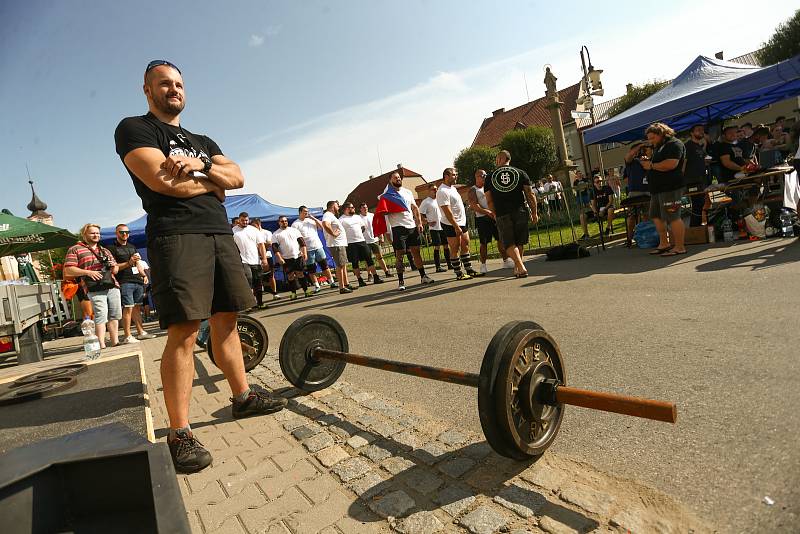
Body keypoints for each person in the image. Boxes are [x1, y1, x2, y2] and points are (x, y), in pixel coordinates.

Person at [114, 59, 286, 473]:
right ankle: (180, 432)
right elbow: (162, 182)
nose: (173, 89)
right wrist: (214, 183)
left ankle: (242, 397)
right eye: (164, 84)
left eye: (178, 84)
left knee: (227, 319)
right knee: (185, 329)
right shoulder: (135, 128)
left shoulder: (201, 139)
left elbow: (238, 177)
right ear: (147, 89)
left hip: (218, 234)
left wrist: (202, 166)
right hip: (177, 236)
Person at [65, 223, 122, 348]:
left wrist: (113, 266)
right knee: (101, 314)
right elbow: (68, 270)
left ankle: (115, 341)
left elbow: (116, 270)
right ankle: (101, 344)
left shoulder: (104, 250)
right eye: (92, 233)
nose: (96, 235)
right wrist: (88, 272)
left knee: (115, 314)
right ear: (84, 234)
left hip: (112, 285)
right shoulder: (75, 249)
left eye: (97, 233)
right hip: (94, 287)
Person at [374, 172, 433, 290]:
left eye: (399, 177)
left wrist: (419, 222)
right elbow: (382, 212)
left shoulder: (407, 192)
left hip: (411, 226)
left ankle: (423, 276)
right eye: (395, 178)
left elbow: (414, 207)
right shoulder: (386, 196)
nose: (398, 179)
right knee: (400, 255)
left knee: (416, 251)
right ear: (390, 181)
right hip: (398, 227)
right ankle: (401, 282)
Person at [484, 150, 538, 278]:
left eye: (497, 159)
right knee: (519, 241)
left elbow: (489, 200)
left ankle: (520, 266)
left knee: (508, 243)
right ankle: (518, 267)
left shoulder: (490, 176)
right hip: (520, 210)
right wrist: (534, 212)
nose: (496, 162)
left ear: (501, 159)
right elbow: (530, 194)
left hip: (502, 213)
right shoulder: (520, 173)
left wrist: (494, 213)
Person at [638, 123, 687, 256]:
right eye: (649, 138)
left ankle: (679, 247)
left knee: (673, 216)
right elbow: (658, 164)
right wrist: (649, 161)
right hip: (657, 189)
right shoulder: (659, 147)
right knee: (656, 215)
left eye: (653, 138)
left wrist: (651, 165)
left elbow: (672, 164)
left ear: (662, 134)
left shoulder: (674, 144)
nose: (650, 141)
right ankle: (664, 243)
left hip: (670, 187)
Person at [106, 224, 155, 342]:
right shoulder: (111, 248)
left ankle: (141, 332)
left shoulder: (132, 246)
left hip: (137, 280)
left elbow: (138, 263)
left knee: (137, 308)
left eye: (127, 232)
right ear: (116, 233)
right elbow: (113, 268)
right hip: (124, 281)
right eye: (122, 232)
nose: (125, 234)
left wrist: (144, 275)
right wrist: (128, 263)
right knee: (128, 308)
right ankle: (127, 336)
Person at [436, 168, 482, 280]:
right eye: (453, 175)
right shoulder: (442, 191)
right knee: (455, 247)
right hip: (451, 224)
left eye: (456, 174)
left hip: (461, 221)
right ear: (446, 176)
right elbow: (447, 211)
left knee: (465, 244)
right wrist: (455, 226)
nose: (456, 176)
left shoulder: (453, 189)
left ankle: (469, 270)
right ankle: (459, 273)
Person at [469, 169, 511, 273]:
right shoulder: (473, 190)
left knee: (500, 239)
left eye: (485, 175)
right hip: (482, 219)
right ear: (477, 177)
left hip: (494, 216)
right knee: (484, 243)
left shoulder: (488, 187)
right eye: (482, 176)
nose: (484, 177)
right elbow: (474, 205)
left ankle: (506, 260)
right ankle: (483, 265)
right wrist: (487, 212)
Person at [339, 202, 383, 286]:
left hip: (362, 241)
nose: (353, 209)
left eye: (353, 207)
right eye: (351, 207)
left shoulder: (357, 217)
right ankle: (360, 280)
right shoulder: (341, 220)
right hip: (351, 244)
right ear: (346, 209)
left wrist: (358, 233)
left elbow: (362, 227)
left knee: (369, 259)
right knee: (355, 262)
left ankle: (376, 277)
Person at [292, 206, 334, 293]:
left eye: (307, 211)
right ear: (300, 212)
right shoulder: (295, 224)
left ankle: (332, 282)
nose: (306, 213)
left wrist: (313, 218)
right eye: (304, 212)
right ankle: (316, 285)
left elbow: (322, 226)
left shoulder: (311, 221)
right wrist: (301, 250)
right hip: (307, 249)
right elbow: (295, 239)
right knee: (311, 269)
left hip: (318, 246)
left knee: (324, 265)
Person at [232, 212, 269, 308]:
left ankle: (260, 303)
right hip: (243, 261)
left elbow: (261, 245)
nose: (245, 222)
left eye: (246, 220)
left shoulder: (254, 230)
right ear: (238, 220)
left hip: (255, 260)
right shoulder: (233, 231)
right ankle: (250, 304)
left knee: (258, 282)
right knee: (248, 280)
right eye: (243, 220)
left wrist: (264, 258)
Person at [322, 200, 356, 294]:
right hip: (336, 244)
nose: (339, 207)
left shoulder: (332, 216)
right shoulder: (328, 214)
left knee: (343, 264)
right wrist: (333, 234)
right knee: (340, 265)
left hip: (339, 243)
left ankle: (346, 284)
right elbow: (325, 224)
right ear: (332, 207)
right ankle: (342, 287)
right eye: (337, 206)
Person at [272, 216, 309, 299]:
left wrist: (305, 253)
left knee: (300, 274)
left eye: (285, 221)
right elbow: (275, 248)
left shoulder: (294, 230)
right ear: (279, 223)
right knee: (290, 276)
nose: (284, 222)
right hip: (286, 259)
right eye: (282, 221)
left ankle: (306, 291)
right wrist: (280, 258)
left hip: (298, 256)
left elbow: (302, 243)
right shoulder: (276, 234)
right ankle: (293, 293)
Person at [622, 142, 652, 238]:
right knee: (632, 217)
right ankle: (629, 238)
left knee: (648, 215)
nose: (643, 151)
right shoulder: (631, 161)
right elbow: (628, 156)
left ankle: (647, 236)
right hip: (635, 193)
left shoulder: (648, 161)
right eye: (641, 150)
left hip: (648, 192)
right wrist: (640, 145)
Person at [417, 184, 449, 273]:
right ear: (429, 191)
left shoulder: (439, 200)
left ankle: (449, 264)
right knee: (437, 247)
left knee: (446, 245)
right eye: (433, 189)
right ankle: (438, 267)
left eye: (436, 189)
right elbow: (420, 214)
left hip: (443, 226)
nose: (435, 191)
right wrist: (427, 222)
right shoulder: (426, 202)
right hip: (434, 228)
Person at [683, 124, 709, 227]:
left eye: (702, 130)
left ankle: (699, 228)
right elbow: (684, 163)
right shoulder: (687, 146)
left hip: (701, 179)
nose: (701, 132)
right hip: (691, 181)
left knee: (703, 204)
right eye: (698, 130)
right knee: (697, 205)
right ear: (691, 133)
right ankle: (694, 229)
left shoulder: (699, 146)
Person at [359, 203, 393, 278]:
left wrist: (381, 236)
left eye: (366, 207)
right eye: (363, 208)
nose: (365, 209)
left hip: (375, 239)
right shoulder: (358, 218)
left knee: (380, 257)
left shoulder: (372, 215)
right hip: (365, 241)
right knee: (368, 259)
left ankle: (386, 272)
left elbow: (378, 226)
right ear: (360, 209)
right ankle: (369, 274)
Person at [251, 218, 280, 300]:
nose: (252, 227)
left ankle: (275, 293)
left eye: (254, 225)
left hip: (267, 256)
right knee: (257, 278)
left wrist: (261, 245)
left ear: (258, 224)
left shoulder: (266, 232)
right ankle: (257, 298)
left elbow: (269, 244)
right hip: (255, 258)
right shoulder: (251, 233)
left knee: (271, 275)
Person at [573, 170, 592, 240]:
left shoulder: (585, 179)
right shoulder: (576, 181)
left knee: (588, 204)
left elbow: (587, 184)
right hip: (579, 196)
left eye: (581, 173)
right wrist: (580, 187)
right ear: (577, 175)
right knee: (581, 208)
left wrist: (583, 186)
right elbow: (575, 188)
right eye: (579, 174)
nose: (580, 175)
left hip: (585, 195)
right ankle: (583, 214)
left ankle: (592, 212)